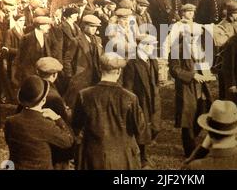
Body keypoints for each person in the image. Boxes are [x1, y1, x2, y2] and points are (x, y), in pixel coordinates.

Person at [72, 53, 147, 170]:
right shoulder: (130, 97)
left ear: (100, 69)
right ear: (119, 72)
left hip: (91, 155)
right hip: (123, 157)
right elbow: (140, 129)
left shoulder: (84, 95)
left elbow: (76, 125)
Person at [4, 75, 74, 170]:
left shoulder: (10, 122)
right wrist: (57, 118)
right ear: (43, 100)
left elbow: (9, 140)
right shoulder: (47, 125)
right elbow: (68, 141)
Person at [168, 15, 214, 157]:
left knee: (202, 115)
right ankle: (189, 152)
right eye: (191, 35)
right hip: (186, 88)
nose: (194, 38)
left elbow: (203, 64)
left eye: (197, 35)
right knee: (187, 120)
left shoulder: (199, 47)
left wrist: (208, 74)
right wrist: (193, 76)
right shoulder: (178, 48)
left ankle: (192, 140)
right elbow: (174, 70)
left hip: (201, 88)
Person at [123, 34, 161, 168]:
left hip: (153, 99)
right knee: (141, 127)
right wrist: (131, 104)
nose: (153, 48)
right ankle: (142, 156)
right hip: (140, 100)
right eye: (151, 45)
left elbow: (155, 81)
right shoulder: (132, 63)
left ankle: (143, 152)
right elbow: (128, 87)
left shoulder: (152, 61)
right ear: (142, 46)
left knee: (155, 127)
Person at [35, 57, 73, 170]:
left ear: (37, 72)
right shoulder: (55, 97)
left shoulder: (31, 90)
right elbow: (64, 124)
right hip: (55, 152)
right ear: (54, 75)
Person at [63, 15, 103, 109]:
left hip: (96, 77)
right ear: (85, 26)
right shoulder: (76, 41)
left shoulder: (97, 40)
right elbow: (67, 60)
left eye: (96, 27)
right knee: (76, 104)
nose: (94, 29)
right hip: (80, 78)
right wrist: (70, 76)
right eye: (92, 26)